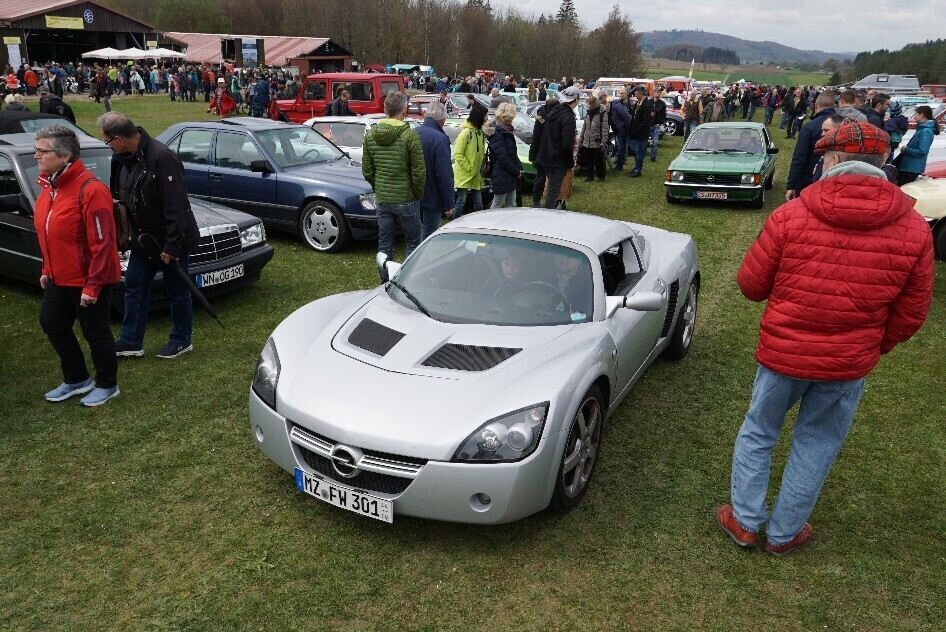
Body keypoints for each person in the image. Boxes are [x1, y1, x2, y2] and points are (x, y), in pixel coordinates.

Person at [718, 120, 934, 556]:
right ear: (882, 164)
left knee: (760, 430)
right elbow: (911, 313)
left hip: (784, 353)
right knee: (816, 441)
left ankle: (745, 520)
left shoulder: (791, 215)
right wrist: (872, 343)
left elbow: (750, 284)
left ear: (832, 161)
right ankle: (783, 533)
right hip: (847, 362)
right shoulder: (913, 229)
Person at [99, 112, 200, 359]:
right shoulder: (120, 158)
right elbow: (119, 194)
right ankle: (131, 340)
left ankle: (181, 339)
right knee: (134, 287)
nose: (108, 146)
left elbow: (176, 205)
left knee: (177, 290)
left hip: (170, 240)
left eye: (108, 141)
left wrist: (172, 245)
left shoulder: (162, 158)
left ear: (120, 138)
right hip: (143, 239)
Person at [33, 125, 121, 407]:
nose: (37, 156)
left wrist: (93, 286)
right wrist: (47, 269)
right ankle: (77, 378)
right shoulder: (49, 187)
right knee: (51, 322)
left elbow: (103, 244)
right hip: (60, 277)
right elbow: (48, 233)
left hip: (88, 280)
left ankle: (108, 384)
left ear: (65, 155)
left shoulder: (90, 189)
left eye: (42, 151)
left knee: (95, 332)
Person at [362, 91, 426, 258]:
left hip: (383, 198)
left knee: (384, 243)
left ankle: (385, 280)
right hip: (406, 198)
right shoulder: (410, 135)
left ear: (385, 109)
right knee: (413, 241)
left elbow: (367, 170)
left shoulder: (370, 135)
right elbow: (419, 171)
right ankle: (407, 280)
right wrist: (417, 194)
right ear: (404, 109)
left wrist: (380, 186)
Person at [785, 92, 837, 200]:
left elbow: (799, 157)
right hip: (835, 177)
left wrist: (792, 185)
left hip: (808, 179)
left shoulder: (809, 127)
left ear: (816, 105)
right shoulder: (843, 124)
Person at [535, 85, 579, 206]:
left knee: (552, 189)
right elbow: (567, 143)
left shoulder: (555, 111)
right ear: (575, 100)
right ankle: (549, 216)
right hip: (557, 159)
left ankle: (550, 211)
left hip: (546, 156)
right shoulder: (568, 117)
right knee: (554, 191)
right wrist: (570, 162)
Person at [416, 102, 454, 239]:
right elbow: (444, 174)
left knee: (418, 231)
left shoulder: (413, 133)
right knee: (429, 234)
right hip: (432, 195)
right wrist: (449, 203)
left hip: (414, 193)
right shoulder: (440, 139)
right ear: (442, 120)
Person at [452, 103, 488, 216]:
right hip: (465, 173)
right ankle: (455, 222)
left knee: (479, 203)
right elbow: (458, 154)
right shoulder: (466, 133)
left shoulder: (481, 133)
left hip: (475, 174)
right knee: (461, 200)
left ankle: (477, 223)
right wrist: (468, 167)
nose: (487, 118)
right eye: (485, 116)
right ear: (479, 117)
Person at [487, 102, 523, 208]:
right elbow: (503, 158)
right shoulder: (498, 133)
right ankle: (489, 223)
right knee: (498, 203)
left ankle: (509, 223)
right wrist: (516, 171)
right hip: (502, 173)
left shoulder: (505, 130)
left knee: (511, 203)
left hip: (508, 173)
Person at [896, 105, 939, 185]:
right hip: (909, 167)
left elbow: (922, 151)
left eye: (915, 114)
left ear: (921, 114)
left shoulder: (926, 131)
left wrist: (905, 149)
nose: (914, 117)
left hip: (912, 168)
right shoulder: (922, 129)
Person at [579, 96, 608, 182]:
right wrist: (581, 139)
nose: (587, 105)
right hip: (587, 141)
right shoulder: (588, 113)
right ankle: (589, 176)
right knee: (588, 160)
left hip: (597, 141)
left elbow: (605, 128)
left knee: (598, 160)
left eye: (588, 104)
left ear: (593, 104)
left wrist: (603, 141)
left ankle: (600, 177)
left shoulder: (602, 113)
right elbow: (584, 127)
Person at [626, 86, 651, 177]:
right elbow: (634, 115)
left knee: (640, 152)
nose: (635, 95)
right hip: (635, 131)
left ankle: (638, 170)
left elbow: (645, 121)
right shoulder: (638, 102)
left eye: (636, 94)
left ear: (641, 93)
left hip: (641, 133)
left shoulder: (647, 104)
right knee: (636, 151)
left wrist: (637, 130)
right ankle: (636, 167)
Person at [609, 89, 630, 171]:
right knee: (620, 148)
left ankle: (636, 167)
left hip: (628, 130)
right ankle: (619, 165)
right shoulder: (616, 104)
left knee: (631, 147)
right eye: (619, 93)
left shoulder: (630, 104)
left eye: (622, 93)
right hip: (619, 130)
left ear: (627, 94)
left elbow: (630, 117)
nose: (620, 95)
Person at [650, 91, 666, 161]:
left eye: (659, 93)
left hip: (656, 126)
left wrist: (660, 123)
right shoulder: (648, 102)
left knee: (655, 142)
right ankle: (642, 155)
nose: (658, 94)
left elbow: (663, 115)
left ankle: (653, 157)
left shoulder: (662, 103)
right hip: (648, 125)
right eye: (657, 92)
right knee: (644, 142)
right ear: (654, 93)